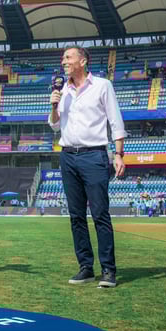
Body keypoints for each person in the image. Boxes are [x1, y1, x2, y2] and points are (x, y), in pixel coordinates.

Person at [49, 46, 125, 288]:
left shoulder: (102, 86)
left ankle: (108, 270)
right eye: (63, 58)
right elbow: (53, 126)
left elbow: (116, 121)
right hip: (68, 156)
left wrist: (119, 154)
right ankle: (85, 267)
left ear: (82, 61)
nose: (64, 61)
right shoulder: (62, 91)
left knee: (100, 214)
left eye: (68, 57)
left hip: (95, 156)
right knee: (76, 216)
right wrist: (53, 105)